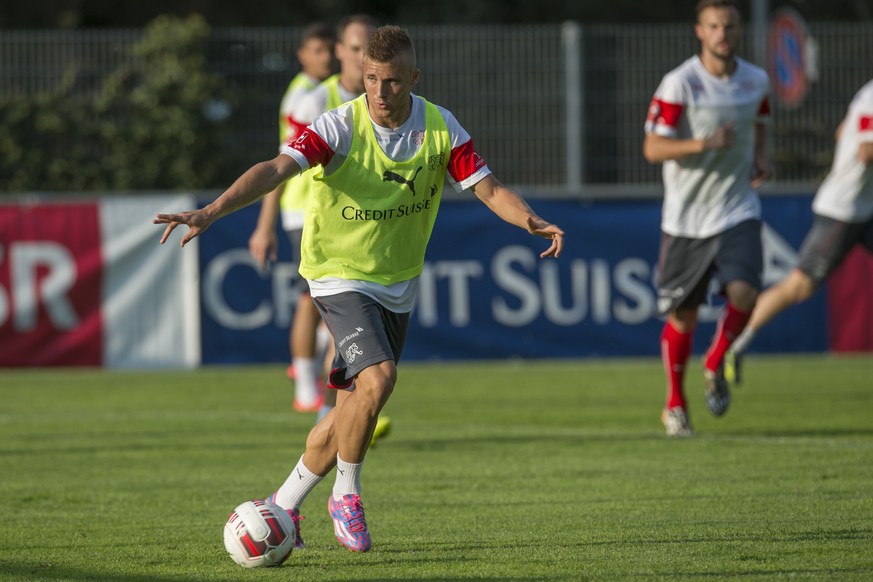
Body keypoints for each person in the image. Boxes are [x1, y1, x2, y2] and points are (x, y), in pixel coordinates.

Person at [155, 25, 564, 553]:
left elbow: (489, 189)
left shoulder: (440, 127)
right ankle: (346, 493)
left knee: (350, 408)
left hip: (397, 282)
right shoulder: (338, 125)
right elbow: (277, 168)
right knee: (379, 380)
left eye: (391, 81)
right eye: (371, 79)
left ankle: (282, 506)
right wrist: (212, 210)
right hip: (337, 274)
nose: (379, 91)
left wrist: (530, 221)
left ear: (413, 78)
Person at [643, 0, 771, 437]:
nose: (722, 34)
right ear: (700, 31)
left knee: (747, 291)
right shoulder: (680, 84)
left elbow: (759, 121)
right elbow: (653, 149)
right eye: (714, 26)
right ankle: (675, 404)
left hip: (738, 208)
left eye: (730, 26)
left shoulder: (756, 80)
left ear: (738, 31)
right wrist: (705, 144)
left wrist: (759, 157)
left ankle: (716, 360)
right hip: (687, 219)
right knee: (683, 318)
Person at [726, 78, 873, 379]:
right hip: (843, 211)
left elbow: (842, 132)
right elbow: (866, 151)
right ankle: (733, 343)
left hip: (865, 208)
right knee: (799, 285)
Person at [248, 21, 336, 414]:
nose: (327, 57)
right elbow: (282, 161)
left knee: (328, 296)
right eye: (318, 50)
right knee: (312, 296)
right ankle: (306, 384)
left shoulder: (323, 91)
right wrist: (264, 223)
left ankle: (312, 367)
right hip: (303, 205)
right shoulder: (305, 97)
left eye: (329, 50)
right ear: (302, 55)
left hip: (323, 205)